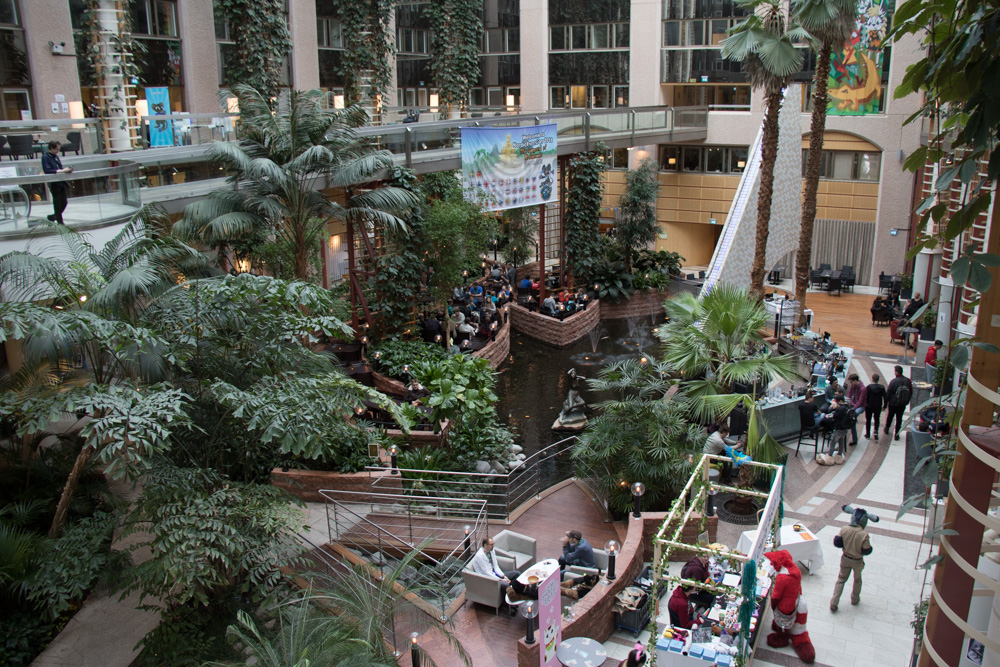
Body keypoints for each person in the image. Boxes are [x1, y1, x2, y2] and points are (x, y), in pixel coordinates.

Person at [764, 550, 816, 663]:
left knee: (783, 625)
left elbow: (776, 596)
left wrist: (773, 606)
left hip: (786, 608)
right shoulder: (796, 570)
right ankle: (801, 641)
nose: (772, 565)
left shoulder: (782, 578)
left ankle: (782, 638)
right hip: (800, 602)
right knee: (799, 629)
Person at [830, 505, 876, 611]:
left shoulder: (844, 529)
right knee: (857, 580)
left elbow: (838, 543)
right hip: (857, 561)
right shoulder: (864, 534)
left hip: (845, 558)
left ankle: (834, 602)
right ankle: (855, 599)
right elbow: (866, 550)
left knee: (841, 579)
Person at [42, 141, 73, 225]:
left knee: (64, 202)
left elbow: (59, 167)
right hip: (54, 183)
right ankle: (60, 221)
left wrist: (65, 170)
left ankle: (53, 217)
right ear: (51, 148)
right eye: (56, 149)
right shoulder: (45, 157)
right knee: (57, 203)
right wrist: (62, 170)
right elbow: (48, 170)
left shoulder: (55, 157)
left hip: (60, 182)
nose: (57, 151)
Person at [884, 365, 913, 441]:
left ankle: (887, 428)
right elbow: (910, 392)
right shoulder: (908, 381)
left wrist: (885, 403)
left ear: (896, 372)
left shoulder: (893, 381)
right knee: (899, 418)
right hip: (902, 403)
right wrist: (906, 401)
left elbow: (888, 393)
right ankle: (897, 434)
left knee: (890, 416)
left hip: (893, 403)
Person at [864, 374, 887, 441]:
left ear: (872, 379)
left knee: (868, 419)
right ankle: (876, 431)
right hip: (878, 406)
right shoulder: (882, 388)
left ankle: (868, 433)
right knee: (877, 419)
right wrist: (884, 406)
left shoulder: (868, 387)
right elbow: (885, 397)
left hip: (869, 406)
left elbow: (865, 396)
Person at [845, 374, 866, 446]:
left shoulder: (863, 389)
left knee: (852, 416)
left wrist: (853, 408)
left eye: (851, 382)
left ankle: (854, 439)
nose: (851, 384)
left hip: (860, 406)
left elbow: (860, 402)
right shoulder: (853, 386)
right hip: (853, 404)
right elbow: (849, 395)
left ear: (855, 380)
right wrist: (849, 402)